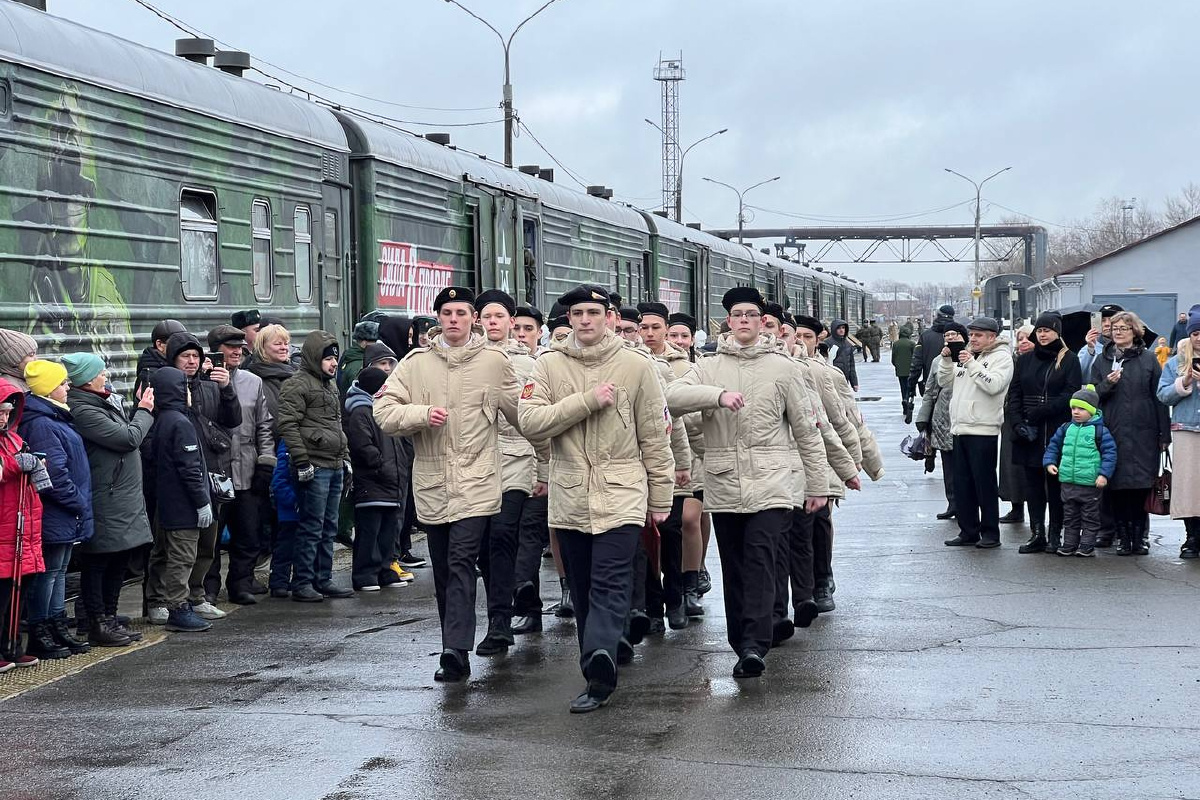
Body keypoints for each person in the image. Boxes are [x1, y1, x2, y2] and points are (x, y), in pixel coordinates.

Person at [518, 284, 674, 712]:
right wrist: (586, 401)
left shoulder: (635, 365)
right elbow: (530, 422)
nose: (585, 320)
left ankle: (599, 661)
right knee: (582, 586)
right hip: (569, 493)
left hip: (622, 490)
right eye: (577, 313)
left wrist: (661, 497)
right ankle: (599, 652)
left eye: (593, 312)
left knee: (611, 577)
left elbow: (655, 438)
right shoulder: (548, 365)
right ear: (568, 320)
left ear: (609, 316)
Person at [666, 287, 831, 680]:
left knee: (760, 557)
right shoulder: (707, 366)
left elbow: (807, 431)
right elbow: (670, 397)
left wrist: (817, 485)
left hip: (773, 480)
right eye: (736, 314)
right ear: (728, 321)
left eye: (751, 315)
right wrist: (717, 396)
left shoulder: (784, 368)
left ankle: (755, 646)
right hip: (723, 481)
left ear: (762, 323)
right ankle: (740, 641)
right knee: (736, 565)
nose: (743, 320)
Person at [373, 287, 521, 683]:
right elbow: (384, 411)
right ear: (438, 318)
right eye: (447, 312)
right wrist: (421, 414)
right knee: (443, 567)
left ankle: (454, 649)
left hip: (479, 479)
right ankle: (453, 643)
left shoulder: (495, 361)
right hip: (433, 480)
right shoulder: (415, 363)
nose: (454, 319)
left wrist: (548, 454)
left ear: (474, 318)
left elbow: (523, 415)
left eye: (461, 312)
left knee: (460, 560)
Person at [473, 288, 546, 654]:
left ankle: (499, 625)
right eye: (486, 317)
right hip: (476, 461)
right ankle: (520, 604)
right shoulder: (467, 360)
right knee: (484, 546)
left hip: (517, 457)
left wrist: (541, 468)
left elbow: (535, 419)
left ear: (512, 323)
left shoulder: (530, 365)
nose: (493, 323)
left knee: (504, 533)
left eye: (499, 317)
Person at [63, 352, 154, 646]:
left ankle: (110, 618)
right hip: (107, 495)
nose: (107, 376)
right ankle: (97, 622)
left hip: (120, 496)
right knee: (100, 560)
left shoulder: (101, 401)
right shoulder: (84, 410)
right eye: (101, 372)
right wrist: (144, 410)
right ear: (88, 379)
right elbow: (127, 438)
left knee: (119, 558)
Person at [162, 330, 241, 622]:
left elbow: (232, 421)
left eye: (196, 356)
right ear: (173, 359)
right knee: (175, 546)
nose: (192, 361)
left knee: (208, 543)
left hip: (212, 472)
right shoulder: (165, 387)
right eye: (186, 356)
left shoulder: (208, 386)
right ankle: (167, 601)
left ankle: (197, 596)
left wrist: (228, 389)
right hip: (181, 476)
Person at [19, 360, 93, 660]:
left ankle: (56, 624)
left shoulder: (55, 417)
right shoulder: (42, 423)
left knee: (58, 572)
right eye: (63, 383)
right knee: (48, 574)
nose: (68, 387)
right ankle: (41, 629)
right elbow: (55, 476)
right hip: (56, 511)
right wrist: (78, 502)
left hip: (64, 511)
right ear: (49, 388)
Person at [276, 331, 354, 601]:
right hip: (314, 466)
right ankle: (303, 583)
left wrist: (345, 458)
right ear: (314, 358)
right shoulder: (297, 385)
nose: (334, 363)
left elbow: (336, 424)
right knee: (311, 526)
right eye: (328, 358)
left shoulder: (330, 385)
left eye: (335, 357)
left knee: (328, 526)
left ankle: (323, 578)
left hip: (332, 464)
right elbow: (287, 425)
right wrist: (301, 461)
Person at [1088, 311, 1171, 555]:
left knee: (1142, 486)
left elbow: (1160, 399)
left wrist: (1164, 435)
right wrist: (1108, 384)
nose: (1119, 332)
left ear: (1134, 331)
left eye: (1124, 328)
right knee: (1117, 487)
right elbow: (1092, 396)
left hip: (1144, 431)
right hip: (1112, 431)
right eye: (1115, 329)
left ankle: (1140, 537)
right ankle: (1123, 537)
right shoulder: (1102, 360)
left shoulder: (1148, 359)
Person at [204, 325, 274, 605]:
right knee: (211, 537)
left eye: (240, 347)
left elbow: (264, 425)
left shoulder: (252, 381)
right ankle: (208, 588)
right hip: (215, 472)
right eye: (230, 347)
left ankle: (241, 584)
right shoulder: (201, 380)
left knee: (247, 534)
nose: (237, 352)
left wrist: (266, 462)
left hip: (246, 468)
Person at [142, 367, 215, 633]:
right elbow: (189, 467)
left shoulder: (161, 419)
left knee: (165, 553)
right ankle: (178, 609)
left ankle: (171, 604)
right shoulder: (180, 423)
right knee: (182, 557)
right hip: (183, 505)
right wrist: (201, 501)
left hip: (168, 501)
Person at [638, 300, 696, 626]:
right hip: (637, 466)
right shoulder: (633, 363)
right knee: (644, 537)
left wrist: (684, 462)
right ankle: (651, 605)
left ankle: (676, 598)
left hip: (670, 461)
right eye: (643, 327)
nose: (648, 334)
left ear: (665, 328)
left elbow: (674, 421)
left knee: (672, 531)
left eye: (655, 327)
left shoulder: (681, 366)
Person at [1005, 312, 1082, 555]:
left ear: (1057, 332)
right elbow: (1014, 392)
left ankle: (1055, 534)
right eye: (1039, 330)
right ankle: (1037, 532)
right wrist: (1017, 422)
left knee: (1055, 485)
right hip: (1028, 429)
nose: (1043, 334)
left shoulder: (1068, 359)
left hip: (1054, 428)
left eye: (1047, 330)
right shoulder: (1025, 359)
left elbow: (1071, 393)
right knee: (1033, 485)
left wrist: (1042, 411)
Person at [940, 317, 1015, 549]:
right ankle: (968, 530)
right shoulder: (966, 356)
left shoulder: (1001, 357)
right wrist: (946, 360)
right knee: (963, 484)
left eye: (978, 335)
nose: (973, 339)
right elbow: (945, 381)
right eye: (971, 335)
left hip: (983, 430)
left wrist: (972, 364)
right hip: (961, 428)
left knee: (984, 484)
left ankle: (990, 533)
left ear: (992, 337)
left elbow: (993, 385)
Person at [342, 367, 408, 591]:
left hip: (391, 481)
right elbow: (363, 446)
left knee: (388, 531)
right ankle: (365, 574)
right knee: (370, 531)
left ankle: (384, 569)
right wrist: (381, 466)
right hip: (373, 482)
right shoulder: (361, 411)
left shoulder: (385, 409)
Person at [0, 379, 47, 670]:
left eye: (6, 411)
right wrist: (19, 465)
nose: (4, 417)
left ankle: (12, 646)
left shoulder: (14, 438)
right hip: (5, 528)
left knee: (19, 590)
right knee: (2, 594)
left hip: (22, 526)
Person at [1043, 385, 1118, 556]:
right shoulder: (1066, 428)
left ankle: (1086, 545)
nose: (1076, 412)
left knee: (1090, 517)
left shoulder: (1100, 431)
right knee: (1070, 516)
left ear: (1092, 410)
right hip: (1068, 481)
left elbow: (1109, 454)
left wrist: (1103, 475)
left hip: (1090, 483)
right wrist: (1049, 462)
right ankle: (1069, 544)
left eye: (1081, 408)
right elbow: (1053, 446)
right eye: (1073, 408)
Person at [1158, 304, 1200, 558]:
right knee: (1187, 486)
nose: (1199, 338)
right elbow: (1163, 394)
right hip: (1185, 428)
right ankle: (1192, 536)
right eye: (1195, 333)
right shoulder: (1176, 362)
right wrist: (1184, 382)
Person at [917, 322, 968, 520]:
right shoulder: (939, 360)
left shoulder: (971, 358)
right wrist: (923, 418)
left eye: (954, 334)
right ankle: (953, 503)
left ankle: (968, 505)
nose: (950, 338)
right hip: (942, 418)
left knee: (965, 465)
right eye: (947, 335)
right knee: (948, 465)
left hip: (965, 417)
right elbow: (930, 390)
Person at [998, 326, 1034, 526]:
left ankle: (1037, 511)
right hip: (1011, 418)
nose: (1023, 342)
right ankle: (1016, 506)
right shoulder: (1010, 362)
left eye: (1028, 338)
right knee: (1012, 466)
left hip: (1034, 417)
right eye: (1020, 339)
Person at [247, 324, 296, 420]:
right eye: (277, 344)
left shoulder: (296, 374)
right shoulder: (251, 378)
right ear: (262, 347)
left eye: (286, 344)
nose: (284, 348)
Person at [908, 305, 956, 398]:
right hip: (955, 385)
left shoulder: (925, 336)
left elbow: (916, 363)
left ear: (938, 316)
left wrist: (911, 385)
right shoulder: (960, 335)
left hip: (931, 385)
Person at [132, 320, 185, 398]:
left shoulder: (178, 365)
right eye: (175, 343)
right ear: (159, 344)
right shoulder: (150, 375)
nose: (183, 348)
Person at [337, 320, 381, 397]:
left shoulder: (349, 355)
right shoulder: (359, 364)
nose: (377, 344)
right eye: (374, 341)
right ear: (364, 342)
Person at [1079, 303, 1123, 377]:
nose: (1107, 324)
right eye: (1103, 320)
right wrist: (1090, 350)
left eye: (1112, 319)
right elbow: (1080, 376)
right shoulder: (1087, 349)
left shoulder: (1134, 349)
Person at [0, 329, 38, 393]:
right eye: (31, 355)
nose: (36, 359)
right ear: (12, 360)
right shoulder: (9, 388)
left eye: (35, 353)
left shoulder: (28, 378)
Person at [891, 323, 916, 422]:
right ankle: (907, 401)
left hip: (900, 370)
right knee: (910, 387)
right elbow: (915, 357)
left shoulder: (896, 344)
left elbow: (893, 358)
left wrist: (897, 366)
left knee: (903, 387)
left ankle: (904, 403)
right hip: (910, 370)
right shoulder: (912, 344)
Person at [826, 319, 859, 391]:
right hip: (832, 379)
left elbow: (851, 365)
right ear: (834, 329)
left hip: (844, 379)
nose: (841, 330)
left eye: (843, 328)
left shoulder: (848, 344)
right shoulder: (827, 343)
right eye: (839, 328)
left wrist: (854, 383)